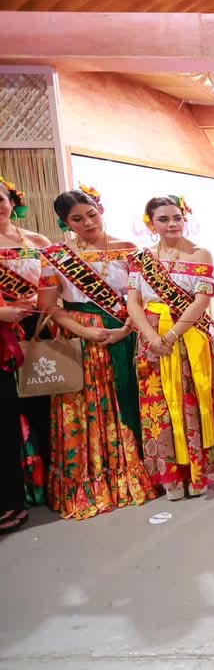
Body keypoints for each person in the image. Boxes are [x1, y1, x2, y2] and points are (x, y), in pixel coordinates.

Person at [38, 187, 158, 519]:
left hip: (125, 330)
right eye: (77, 219)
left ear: (99, 209)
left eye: (91, 214)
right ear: (65, 223)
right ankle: (94, 477)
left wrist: (125, 329)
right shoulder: (55, 255)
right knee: (88, 408)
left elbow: (143, 297)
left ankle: (139, 469)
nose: (88, 222)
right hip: (82, 337)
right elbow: (48, 307)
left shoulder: (127, 249)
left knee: (129, 398)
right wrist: (86, 331)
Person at [127, 196, 214, 500]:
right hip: (152, 338)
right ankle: (170, 474)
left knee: (192, 402)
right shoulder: (142, 258)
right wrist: (151, 337)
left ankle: (197, 472)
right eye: (164, 219)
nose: (172, 224)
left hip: (187, 337)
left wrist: (173, 334)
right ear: (152, 223)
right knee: (158, 406)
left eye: (177, 217)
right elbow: (133, 301)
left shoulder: (200, 254)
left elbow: (201, 300)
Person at [0, 176, 51, 534]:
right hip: (3, 338)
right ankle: (12, 498)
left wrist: (45, 305)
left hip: (39, 331)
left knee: (45, 411)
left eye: (0, 198)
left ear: (11, 200)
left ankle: (49, 485)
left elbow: (56, 286)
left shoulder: (37, 241)